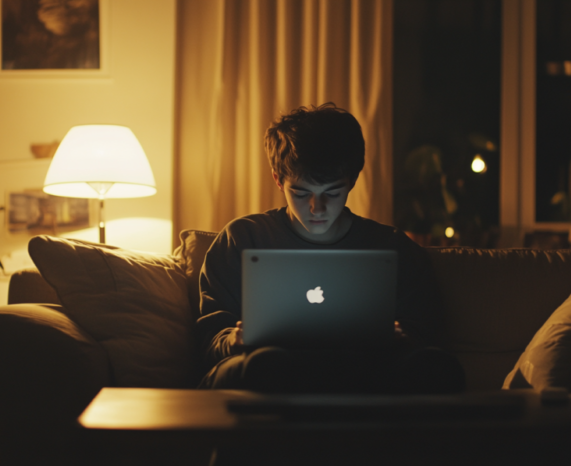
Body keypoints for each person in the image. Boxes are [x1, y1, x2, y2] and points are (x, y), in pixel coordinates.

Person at [196, 103, 465, 394]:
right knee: (264, 364)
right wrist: (234, 339)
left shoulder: (394, 248)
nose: (317, 208)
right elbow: (209, 339)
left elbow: (426, 333)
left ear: (352, 181)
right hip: (264, 370)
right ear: (277, 179)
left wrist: (401, 337)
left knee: (437, 367)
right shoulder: (243, 238)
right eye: (300, 192)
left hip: (362, 369)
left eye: (332, 192)